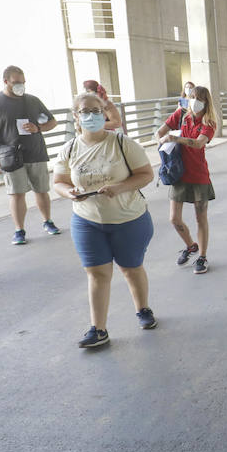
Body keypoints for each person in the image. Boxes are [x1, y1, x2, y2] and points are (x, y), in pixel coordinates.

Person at [51, 92, 156, 348]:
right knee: (97, 273)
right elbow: (59, 182)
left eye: (97, 111)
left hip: (128, 218)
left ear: (105, 113)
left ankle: (142, 309)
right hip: (87, 221)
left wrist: (119, 187)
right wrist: (69, 193)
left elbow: (146, 175)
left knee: (130, 269)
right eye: (85, 111)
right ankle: (98, 329)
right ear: (76, 116)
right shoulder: (70, 148)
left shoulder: (122, 144)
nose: (91, 116)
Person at [0, 66, 61, 246]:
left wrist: (38, 128)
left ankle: (47, 221)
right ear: (6, 81)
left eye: (23, 83)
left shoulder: (32, 101)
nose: (20, 86)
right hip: (10, 155)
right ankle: (19, 230)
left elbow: (52, 121)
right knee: (17, 193)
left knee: (42, 190)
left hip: (36, 152)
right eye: (16, 83)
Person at [156, 85, 216, 274]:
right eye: (192, 97)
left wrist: (175, 139)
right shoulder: (181, 115)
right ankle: (191, 246)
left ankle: (203, 256)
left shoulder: (209, 123)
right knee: (174, 218)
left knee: (201, 218)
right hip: (178, 173)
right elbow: (160, 132)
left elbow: (198, 143)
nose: (195, 101)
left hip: (198, 175)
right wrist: (164, 146)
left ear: (206, 103)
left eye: (199, 99)